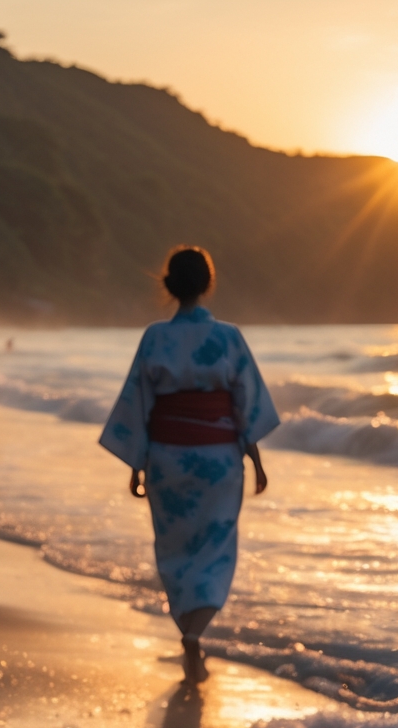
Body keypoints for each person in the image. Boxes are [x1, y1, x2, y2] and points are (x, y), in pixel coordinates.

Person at [99, 246, 278, 682]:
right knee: (215, 548)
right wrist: (256, 463)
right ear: (208, 283)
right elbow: (246, 408)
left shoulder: (155, 338)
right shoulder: (229, 338)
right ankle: (195, 636)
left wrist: (136, 466)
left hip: (167, 458)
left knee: (174, 547)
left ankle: (188, 632)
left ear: (168, 285)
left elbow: (136, 405)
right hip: (219, 461)